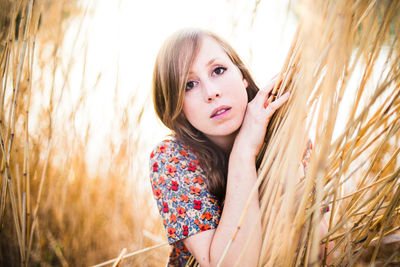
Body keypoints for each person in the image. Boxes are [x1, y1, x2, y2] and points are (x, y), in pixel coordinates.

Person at [149, 28, 290, 267]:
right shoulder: (171, 159)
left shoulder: (283, 129)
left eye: (218, 70)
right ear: (176, 106)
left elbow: (320, 246)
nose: (211, 92)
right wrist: (243, 152)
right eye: (189, 85)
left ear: (242, 75)